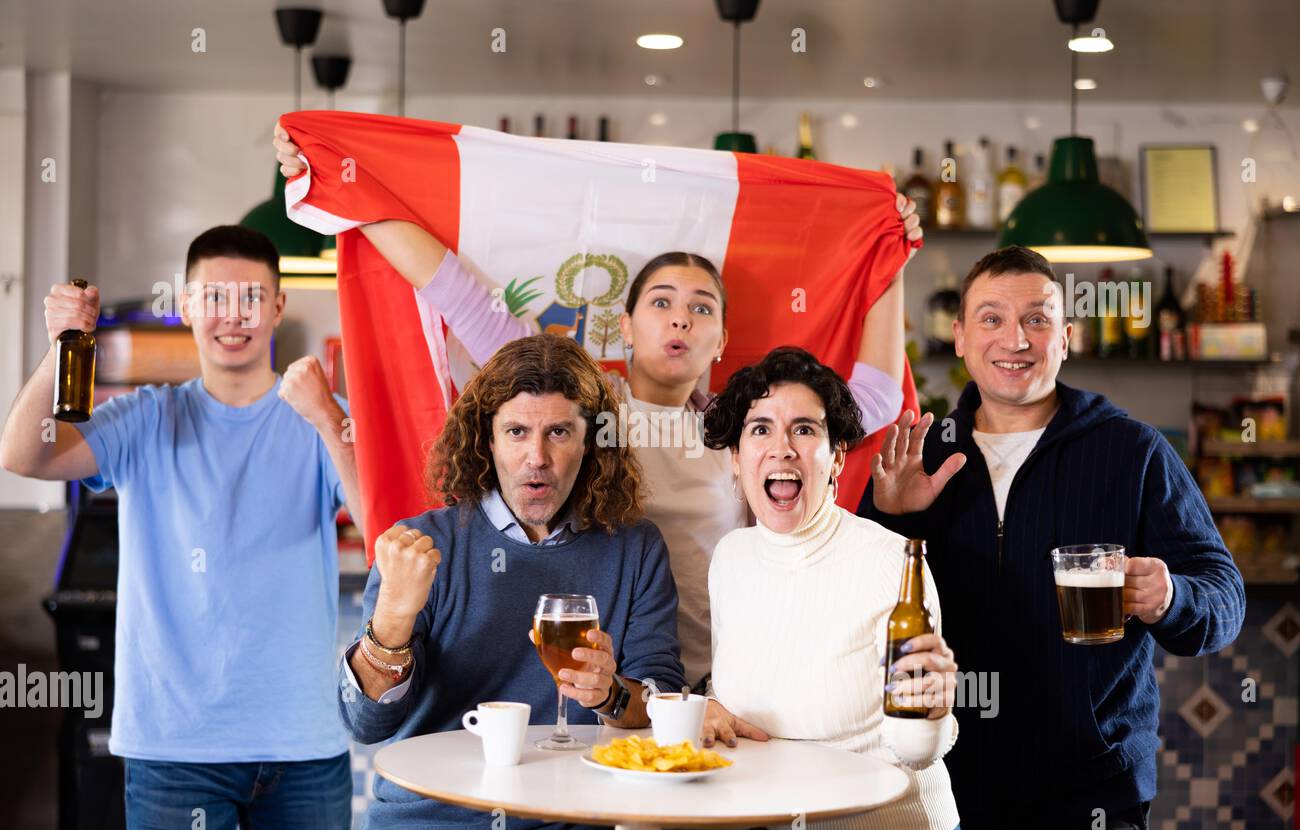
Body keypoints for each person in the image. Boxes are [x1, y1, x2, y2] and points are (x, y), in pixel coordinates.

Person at [273, 124, 920, 690]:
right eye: (662, 302)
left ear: (722, 338)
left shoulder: (740, 430)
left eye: (702, 308)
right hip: (605, 683)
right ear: (626, 325)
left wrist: (890, 248)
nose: (681, 320)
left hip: (731, 677)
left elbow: (871, 399)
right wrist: (344, 184)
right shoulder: (584, 404)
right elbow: (453, 289)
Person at [860, 245, 1246, 830]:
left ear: (1065, 337)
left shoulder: (1132, 450)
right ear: (959, 337)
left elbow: (1225, 597)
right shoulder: (921, 456)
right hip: (940, 790)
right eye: (991, 319)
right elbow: (856, 614)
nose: (1015, 339)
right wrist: (891, 519)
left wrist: (1174, 596)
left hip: (1091, 798)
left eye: (1036, 320)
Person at [0, 225, 363, 830]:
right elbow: (24, 454)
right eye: (214, 297)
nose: (233, 315)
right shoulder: (146, 416)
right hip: (174, 750)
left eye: (252, 297)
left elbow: (385, 531)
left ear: (277, 309)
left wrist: (330, 420)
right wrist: (62, 346)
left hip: (302, 745)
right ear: (188, 305)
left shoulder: (318, 419)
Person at [340, 333, 684, 830]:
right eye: (517, 432)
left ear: (592, 441)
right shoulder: (424, 546)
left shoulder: (635, 549)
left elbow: (662, 700)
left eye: (559, 432)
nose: (536, 458)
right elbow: (366, 725)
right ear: (488, 440)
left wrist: (609, 696)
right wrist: (391, 623)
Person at [698, 346, 972, 830]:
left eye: (804, 429)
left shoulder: (889, 562)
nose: (781, 448)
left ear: (837, 458)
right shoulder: (730, 560)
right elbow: (732, 692)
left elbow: (917, 747)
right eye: (760, 430)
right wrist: (709, 709)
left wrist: (931, 710)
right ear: (736, 459)